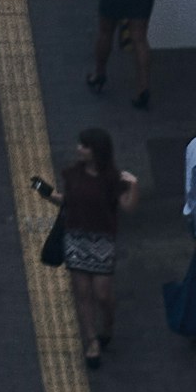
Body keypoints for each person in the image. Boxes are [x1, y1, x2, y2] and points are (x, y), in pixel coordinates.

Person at [57, 133, 137, 362]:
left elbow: (128, 206)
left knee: (102, 294)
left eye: (84, 146)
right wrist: (47, 193)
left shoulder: (111, 178)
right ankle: (92, 340)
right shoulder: (73, 174)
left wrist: (134, 185)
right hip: (76, 237)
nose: (78, 149)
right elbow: (67, 202)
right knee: (82, 293)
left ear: (96, 151)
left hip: (102, 241)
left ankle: (108, 323)